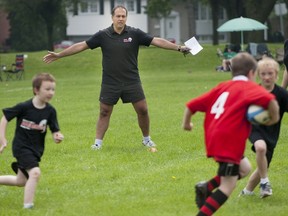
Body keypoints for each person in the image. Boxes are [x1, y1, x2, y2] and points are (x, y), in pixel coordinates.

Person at [43, 5, 190, 150]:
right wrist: (59, 55)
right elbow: (82, 45)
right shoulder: (103, 35)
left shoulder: (135, 33)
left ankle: (147, 140)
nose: (120, 19)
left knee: (143, 109)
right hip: (110, 82)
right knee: (104, 112)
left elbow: (157, 41)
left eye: (123, 16)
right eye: (118, 16)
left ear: (126, 17)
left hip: (131, 80)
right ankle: (97, 144)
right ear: (112, 18)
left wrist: (179, 47)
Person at [182, 52, 279, 216]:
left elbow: (191, 105)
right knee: (228, 186)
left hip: (214, 137)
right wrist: (272, 119)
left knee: (244, 168)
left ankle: (206, 188)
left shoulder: (222, 87)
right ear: (251, 73)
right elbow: (271, 101)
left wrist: (187, 124)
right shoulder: (249, 87)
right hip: (228, 141)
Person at [0, 73, 64, 209]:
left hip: (36, 150)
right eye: (47, 89)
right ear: (36, 90)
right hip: (21, 147)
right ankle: (28, 207)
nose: (51, 92)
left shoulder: (50, 111)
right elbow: (5, 117)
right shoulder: (24, 107)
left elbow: (54, 130)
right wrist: (3, 138)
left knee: (20, 181)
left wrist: (57, 137)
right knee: (35, 173)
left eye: (53, 89)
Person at [239, 57, 288, 198]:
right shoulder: (252, 92)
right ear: (258, 75)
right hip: (254, 129)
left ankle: (247, 191)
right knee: (260, 147)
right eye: (263, 74)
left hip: (272, 133)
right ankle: (265, 183)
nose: (266, 77)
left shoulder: (282, 94)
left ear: (276, 75)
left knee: (264, 165)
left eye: (270, 74)